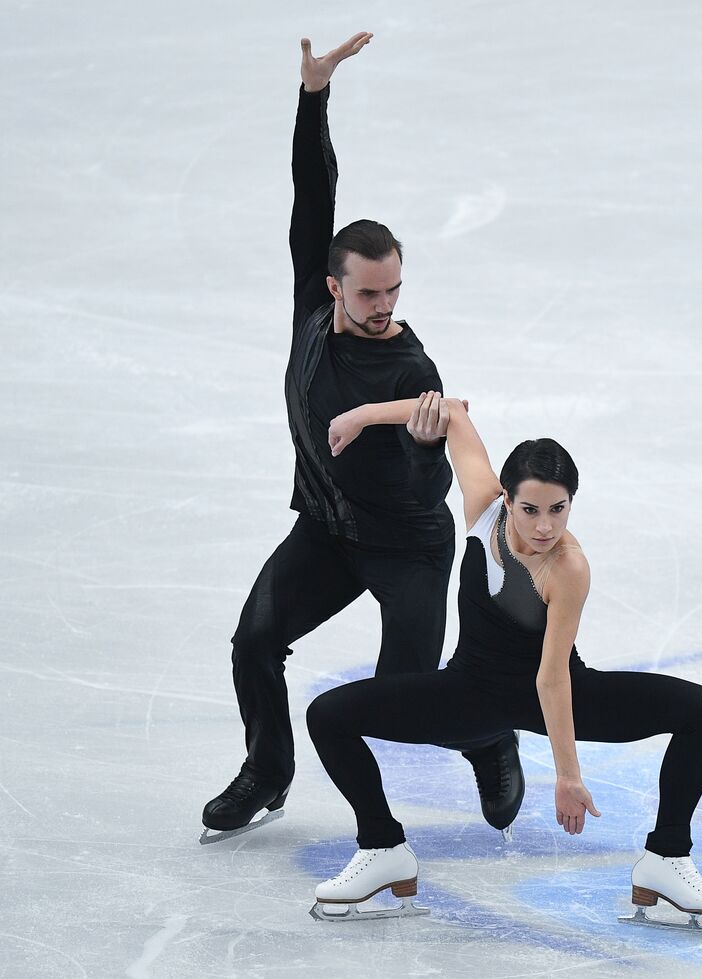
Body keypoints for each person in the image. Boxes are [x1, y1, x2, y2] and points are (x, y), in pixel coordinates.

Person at [200, 34, 522, 845]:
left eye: (395, 289)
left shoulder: (410, 369)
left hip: (406, 545)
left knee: (407, 703)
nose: (384, 305)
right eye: (370, 291)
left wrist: (420, 449)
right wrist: (315, 97)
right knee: (255, 641)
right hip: (327, 531)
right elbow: (316, 190)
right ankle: (267, 771)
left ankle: (488, 736)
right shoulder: (315, 300)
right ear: (336, 284)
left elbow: (424, 492)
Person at [303, 393, 702, 931]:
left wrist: (567, 775)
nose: (545, 526)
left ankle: (666, 858)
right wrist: (359, 415)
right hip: (469, 692)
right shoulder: (484, 511)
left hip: (556, 692)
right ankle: (383, 848)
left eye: (559, 509)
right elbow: (454, 414)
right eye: (531, 509)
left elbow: (552, 677)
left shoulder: (568, 568)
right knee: (328, 716)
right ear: (506, 499)